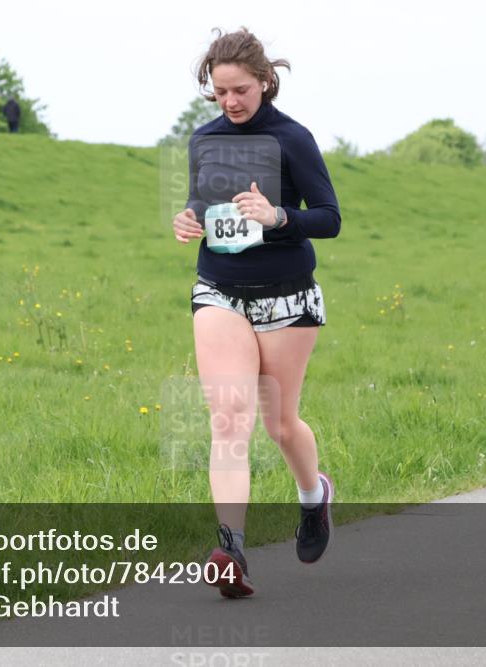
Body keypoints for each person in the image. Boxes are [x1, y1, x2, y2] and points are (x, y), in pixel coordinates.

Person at [171, 27, 342, 598]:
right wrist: (188, 219)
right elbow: (205, 200)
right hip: (220, 289)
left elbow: (329, 216)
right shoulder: (204, 138)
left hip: (287, 297)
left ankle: (314, 497)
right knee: (228, 417)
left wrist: (277, 218)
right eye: (220, 92)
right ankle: (231, 548)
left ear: (266, 82)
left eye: (240, 90)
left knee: (279, 423)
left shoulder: (294, 139)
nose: (230, 102)